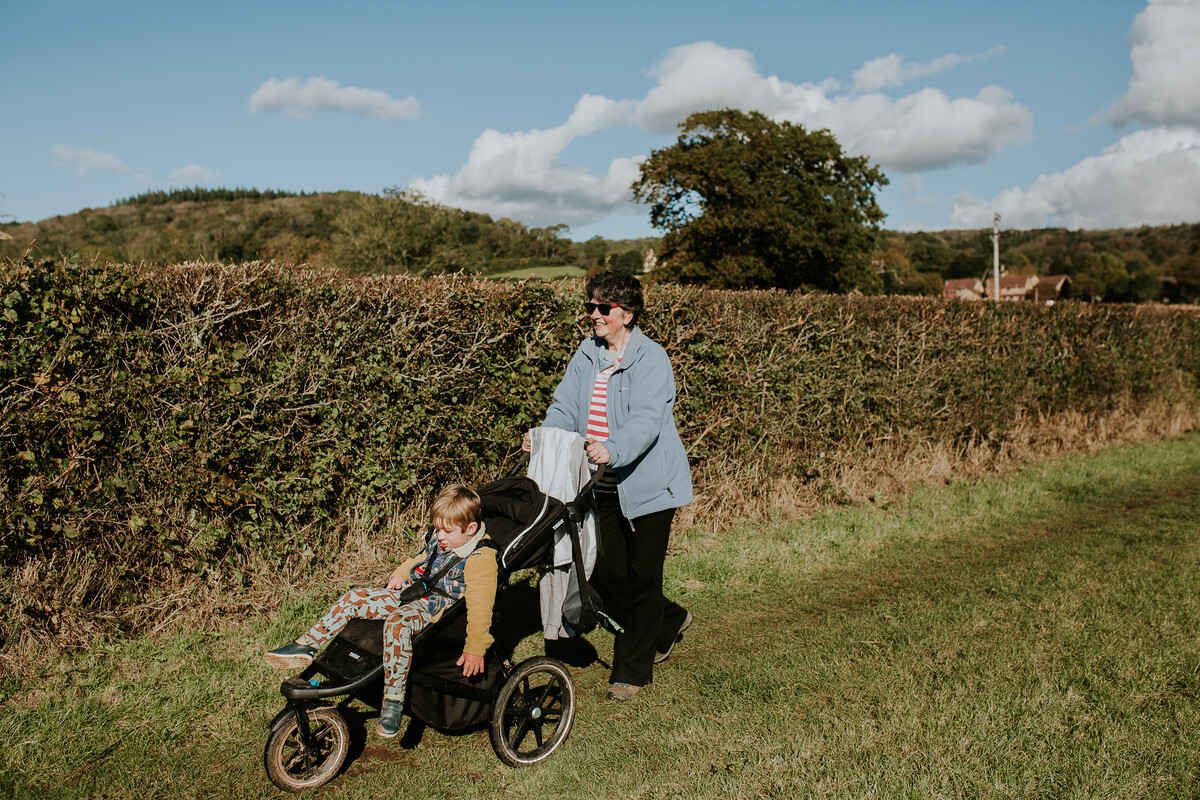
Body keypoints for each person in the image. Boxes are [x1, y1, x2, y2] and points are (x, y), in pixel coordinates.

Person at [524, 270, 693, 701]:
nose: (594, 315)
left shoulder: (651, 359)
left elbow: (646, 420)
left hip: (649, 485)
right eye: (592, 307)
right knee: (604, 569)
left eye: (604, 308)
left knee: (642, 575)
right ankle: (668, 619)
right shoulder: (588, 352)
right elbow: (564, 405)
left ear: (627, 314)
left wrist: (612, 448)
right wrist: (545, 435)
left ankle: (632, 669)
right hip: (600, 484)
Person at [264, 484, 498, 737]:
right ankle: (305, 645)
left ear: (471, 529)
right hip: (412, 591)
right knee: (355, 597)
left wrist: (475, 648)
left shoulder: (480, 560)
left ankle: (393, 701)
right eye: (438, 529)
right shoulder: (442, 540)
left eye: (447, 531)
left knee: (397, 624)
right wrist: (399, 575)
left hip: (435, 607)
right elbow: (418, 560)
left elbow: (481, 608)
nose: (440, 536)